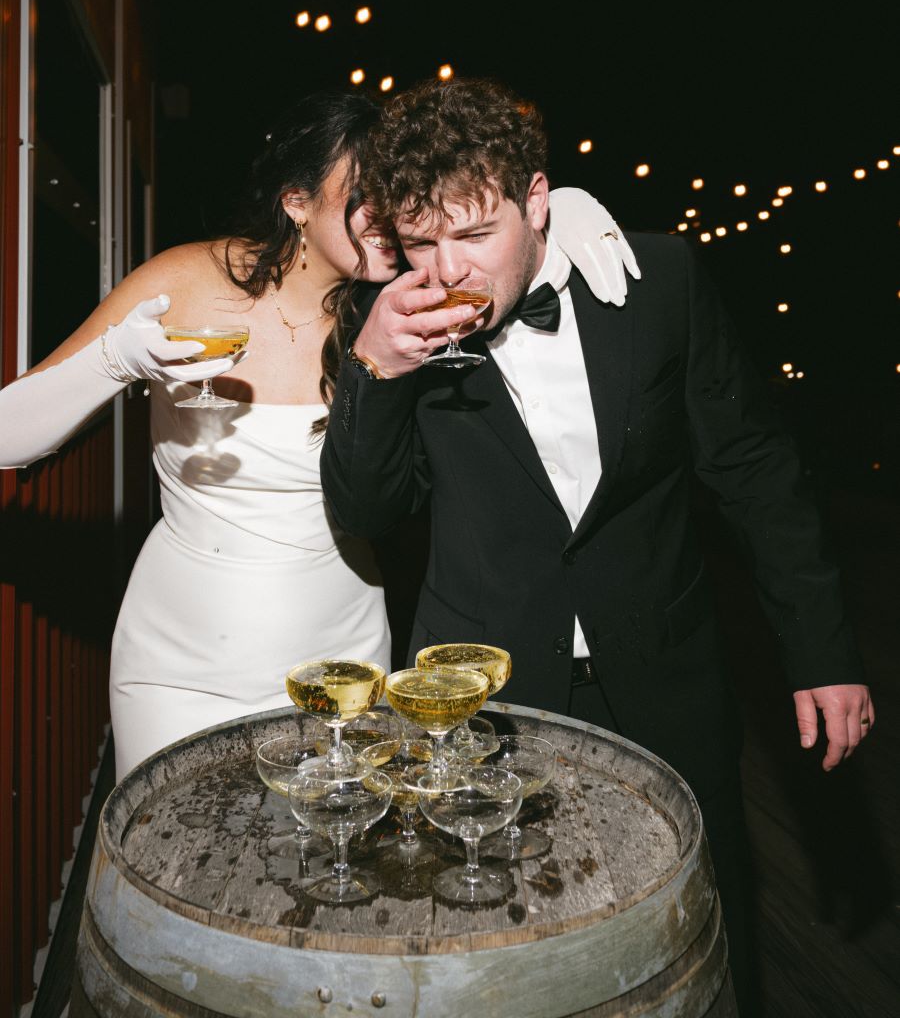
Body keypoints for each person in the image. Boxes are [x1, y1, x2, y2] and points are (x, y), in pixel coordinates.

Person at [319, 77, 874, 1014]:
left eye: (475, 234)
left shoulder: (659, 285)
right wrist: (377, 366)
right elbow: (369, 511)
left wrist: (822, 653)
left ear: (539, 201)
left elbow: (757, 475)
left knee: (696, 929)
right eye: (422, 244)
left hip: (668, 677)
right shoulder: (385, 324)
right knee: (497, 954)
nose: (447, 270)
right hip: (482, 699)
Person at [0, 92, 401, 780]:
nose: (390, 216)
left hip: (345, 665)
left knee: (323, 878)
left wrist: (556, 225)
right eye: (366, 194)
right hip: (181, 675)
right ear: (296, 202)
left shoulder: (402, 315)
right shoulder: (187, 282)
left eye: (404, 192)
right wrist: (113, 361)